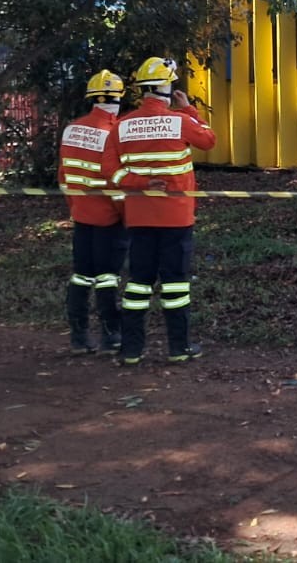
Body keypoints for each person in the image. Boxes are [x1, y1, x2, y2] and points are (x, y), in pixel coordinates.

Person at [110, 55, 216, 365]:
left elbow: (111, 172)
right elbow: (209, 140)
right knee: (176, 284)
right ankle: (178, 348)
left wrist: (140, 183)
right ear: (165, 88)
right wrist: (189, 109)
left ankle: (131, 351)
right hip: (176, 216)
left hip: (139, 216)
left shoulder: (122, 126)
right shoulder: (179, 121)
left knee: (138, 282)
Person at [56, 69, 130, 355]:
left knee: (81, 275)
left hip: (82, 216)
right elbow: (116, 183)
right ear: (118, 99)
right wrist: (126, 215)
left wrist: (75, 206)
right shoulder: (114, 133)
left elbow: (64, 177)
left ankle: (79, 337)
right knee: (108, 277)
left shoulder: (71, 129)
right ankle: (112, 337)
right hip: (110, 219)